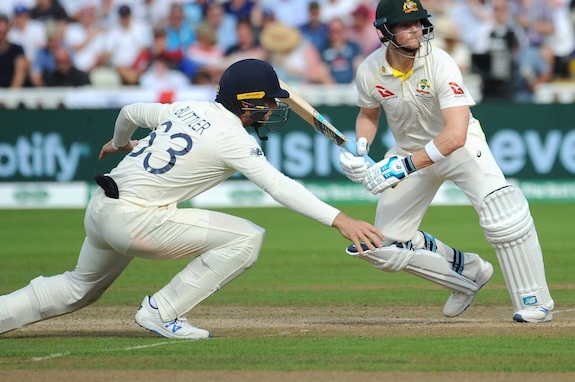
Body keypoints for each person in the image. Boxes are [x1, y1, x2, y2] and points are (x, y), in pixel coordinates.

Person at [0, 59, 382, 339]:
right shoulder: (233, 138)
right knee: (247, 237)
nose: (273, 108)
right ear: (245, 102)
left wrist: (120, 143)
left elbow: (130, 111)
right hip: (136, 220)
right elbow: (279, 187)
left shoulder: (190, 107)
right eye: (267, 101)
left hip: (102, 207)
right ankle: (161, 311)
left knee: (77, 288)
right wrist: (340, 220)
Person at [338, 0, 554, 323]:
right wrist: (361, 146)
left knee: (504, 214)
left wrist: (404, 167)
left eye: (418, 23)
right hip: (408, 153)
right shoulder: (369, 70)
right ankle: (467, 273)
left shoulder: (439, 62)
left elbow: (454, 134)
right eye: (405, 25)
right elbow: (368, 115)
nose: (416, 31)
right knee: (380, 246)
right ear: (385, 31)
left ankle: (535, 302)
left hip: (460, 147)